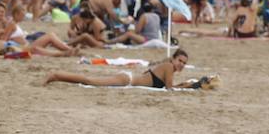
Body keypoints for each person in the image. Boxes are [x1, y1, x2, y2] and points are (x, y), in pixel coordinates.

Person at [44, 49, 189, 87]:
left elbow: (170, 86)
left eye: (184, 63)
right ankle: (55, 75)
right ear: (173, 59)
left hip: (128, 78)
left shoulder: (168, 67)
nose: (181, 65)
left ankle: (56, 76)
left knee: (89, 81)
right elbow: (170, 89)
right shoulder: (169, 67)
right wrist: (189, 87)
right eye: (180, 61)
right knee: (89, 81)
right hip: (127, 80)